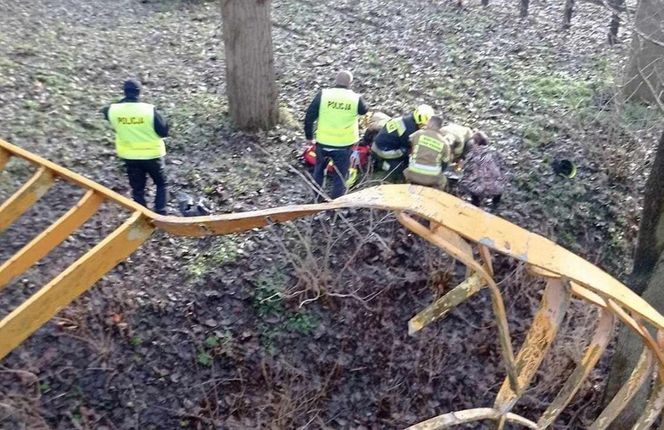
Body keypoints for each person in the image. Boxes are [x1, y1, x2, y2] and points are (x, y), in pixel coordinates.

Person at [102, 79, 170, 214]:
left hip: (129, 155)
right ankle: (160, 212)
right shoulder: (148, 110)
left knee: (137, 189)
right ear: (139, 92)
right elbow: (163, 131)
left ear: (124, 92)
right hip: (152, 154)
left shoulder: (112, 110)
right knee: (161, 184)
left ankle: (142, 214)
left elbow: (105, 112)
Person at [304, 70, 369, 200]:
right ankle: (336, 204)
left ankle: (316, 198)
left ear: (336, 81)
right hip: (344, 145)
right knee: (339, 175)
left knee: (319, 170)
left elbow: (309, 117)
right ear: (350, 83)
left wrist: (309, 137)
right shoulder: (356, 98)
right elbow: (364, 111)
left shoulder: (323, 95)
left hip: (323, 142)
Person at [371, 104, 434, 178]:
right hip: (382, 150)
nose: (424, 127)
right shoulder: (410, 130)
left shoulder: (409, 119)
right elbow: (411, 149)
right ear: (419, 121)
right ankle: (381, 164)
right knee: (401, 169)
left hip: (380, 144)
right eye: (423, 125)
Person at [458, 132, 506, 209]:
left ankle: (475, 203)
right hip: (497, 188)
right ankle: (495, 203)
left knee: (464, 182)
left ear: (474, 143)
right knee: (498, 182)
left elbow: (466, 173)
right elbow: (503, 168)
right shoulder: (496, 152)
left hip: (480, 189)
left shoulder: (471, 155)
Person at [403, 115, 452, 190]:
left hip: (412, 174)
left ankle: (406, 188)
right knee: (443, 180)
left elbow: (408, 143)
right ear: (440, 127)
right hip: (432, 178)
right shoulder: (445, 143)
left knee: (405, 171)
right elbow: (445, 162)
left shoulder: (418, 134)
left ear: (430, 124)